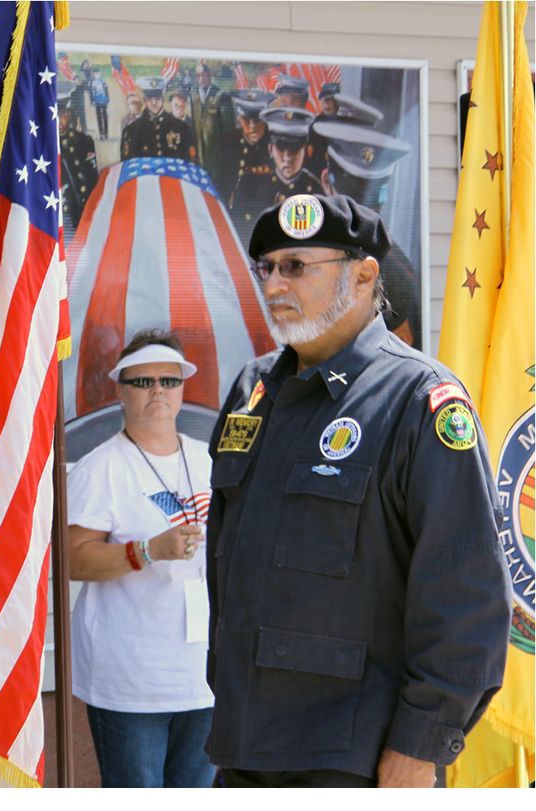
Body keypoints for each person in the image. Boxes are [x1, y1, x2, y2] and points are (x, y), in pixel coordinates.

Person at [205, 194, 511, 787]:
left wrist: (420, 747)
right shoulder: (252, 390)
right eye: (265, 267)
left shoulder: (419, 399)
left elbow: (466, 595)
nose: (274, 285)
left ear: (364, 274)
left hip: (355, 759)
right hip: (244, 746)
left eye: (296, 266)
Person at [69, 329, 215, 788]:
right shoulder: (101, 467)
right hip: (130, 680)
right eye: (143, 381)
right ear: (120, 390)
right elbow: (73, 561)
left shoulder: (210, 460)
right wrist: (149, 551)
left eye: (169, 381)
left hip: (204, 674)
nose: (158, 391)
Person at [312, 119, 421, 348]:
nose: (362, 214)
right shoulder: (302, 260)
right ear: (325, 182)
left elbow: (401, 363)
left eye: (371, 202)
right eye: (351, 201)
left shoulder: (396, 273)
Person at [229, 107, 322, 247]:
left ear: (306, 150)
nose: (287, 157)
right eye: (280, 147)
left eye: (294, 149)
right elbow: (236, 235)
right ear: (270, 149)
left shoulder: (316, 191)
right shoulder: (250, 184)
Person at [218, 89, 274, 207]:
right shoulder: (229, 142)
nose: (252, 126)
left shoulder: (275, 144)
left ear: (266, 121)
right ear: (239, 119)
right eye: (246, 120)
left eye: (257, 120)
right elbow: (223, 185)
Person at [121, 77, 196, 163]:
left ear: (163, 99)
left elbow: (190, 161)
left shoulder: (181, 127)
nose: (154, 103)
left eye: (157, 99)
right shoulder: (132, 130)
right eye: (150, 99)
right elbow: (127, 164)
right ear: (145, 100)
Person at [58, 85, 99, 233]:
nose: (58, 119)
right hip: (56, 211)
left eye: (62, 114)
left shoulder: (83, 141)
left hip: (80, 207)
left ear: (68, 115)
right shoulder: (43, 145)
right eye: (55, 114)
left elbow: (91, 177)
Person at [190, 62, 231, 184]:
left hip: (216, 155)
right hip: (198, 154)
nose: (201, 78)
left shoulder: (220, 95)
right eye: (198, 75)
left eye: (204, 75)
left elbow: (228, 128)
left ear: (210, 76)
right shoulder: (193, 95)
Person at [89, 68, 110, 141]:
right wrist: (92, 101)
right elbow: (91, 93)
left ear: (99, 74)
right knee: (99, 118)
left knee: (105, 117)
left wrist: (107, 99)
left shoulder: (103, 81)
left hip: (103, 101)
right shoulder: (92, 83)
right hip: (97, 102)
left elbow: (106, 90)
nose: (96, 75)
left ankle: (106, 133)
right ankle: (101, 133)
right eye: (95, 74)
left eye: (97, 73)